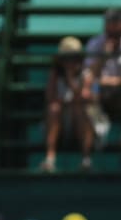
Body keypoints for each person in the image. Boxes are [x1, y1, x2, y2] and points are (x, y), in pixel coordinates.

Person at [41, 36, 101, 173]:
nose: (70, 62)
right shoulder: (55, 75)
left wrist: (70, 80)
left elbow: (86, 97)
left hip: (87, 123)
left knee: (80, 109)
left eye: (73, 57)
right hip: (63, 123)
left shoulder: (88, 74)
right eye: (66, 58)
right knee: (53, 109)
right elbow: (50, 97)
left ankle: (86, 159)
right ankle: (50, 158)